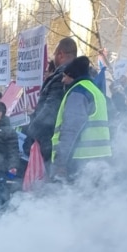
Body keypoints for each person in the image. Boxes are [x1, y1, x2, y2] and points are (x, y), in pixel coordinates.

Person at [52, 55, 112, 180]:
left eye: (64, 76)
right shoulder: (95, 91)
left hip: (80, 161)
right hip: (100, 160)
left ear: (72, 75)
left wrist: (60, 163)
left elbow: (70, 130)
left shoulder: (78, 93)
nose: (62, 80)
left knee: (74, 198)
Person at [27, 37, 78, 167]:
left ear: (60, 54)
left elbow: (50, 110)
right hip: (75, 145)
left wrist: (31, 130)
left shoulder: (61, 77)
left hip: (54, 144)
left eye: (54, 54)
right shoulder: (85, 76)